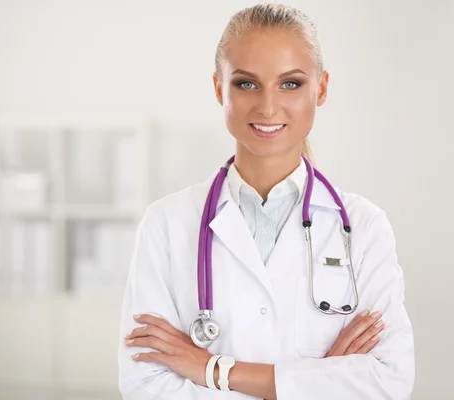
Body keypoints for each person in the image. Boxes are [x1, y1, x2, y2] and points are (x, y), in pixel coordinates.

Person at [117, 3, 415, 399]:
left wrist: (212, 370)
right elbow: (146, 386)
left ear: (321, 88)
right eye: (246, 83)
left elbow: (386, 382)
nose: (268, 106)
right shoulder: (166, 224)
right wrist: (318, 380)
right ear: (219, 87)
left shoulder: (364, 227)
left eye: (290, 83)